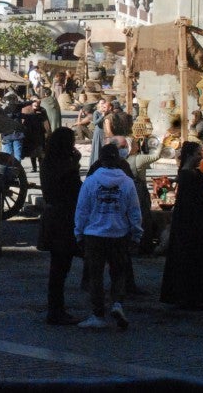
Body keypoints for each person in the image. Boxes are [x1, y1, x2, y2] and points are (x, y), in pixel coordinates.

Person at [74, 143, 143, 330]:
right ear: (118, 160)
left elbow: (82, 210)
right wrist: (136, 234)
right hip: (119, 233)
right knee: (118, 272)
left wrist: (78, 232)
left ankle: (98, 313)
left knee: (95, 275)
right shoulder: (127, 182)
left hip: (94, 234)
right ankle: (117, 303)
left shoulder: (90, 182)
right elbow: (134, 211)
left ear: (100, 160)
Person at [160, 141, 203, 308]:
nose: (201, 157)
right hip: (193, 226)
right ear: (190, 155)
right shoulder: (188, 175)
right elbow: (195, 202)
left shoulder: (192, 173)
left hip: (195, 224)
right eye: (198, 154)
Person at [38, 127, 83, 325]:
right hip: (64, 218)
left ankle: (55, 309)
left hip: (53, 216)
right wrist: (75, 163)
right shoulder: (66, 167)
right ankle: (56, 311)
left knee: (57, 268)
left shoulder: (47, 162)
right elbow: (75, 188)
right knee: (60, 268)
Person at [21, 97, 50, 172]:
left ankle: (41, 168)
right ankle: (34, 168)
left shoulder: (42, 110)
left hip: (40, 133)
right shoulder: (27, 109)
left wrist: (48, 133)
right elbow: (23, 121)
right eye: (34, 101)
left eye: (38, 102)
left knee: (41, 152)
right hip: (30, 134)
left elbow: (46, 122)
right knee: (32, 152)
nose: (36, 103)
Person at [89, 98, 110, 166]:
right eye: (101, 103)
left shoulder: (107, 112)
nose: (103, 105)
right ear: (98, 104)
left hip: (105, 132)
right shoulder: (96, 112)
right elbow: (95, 123)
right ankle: (96, 164)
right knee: (97, 148)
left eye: (104, 103)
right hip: (98, 132)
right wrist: (102, 116)